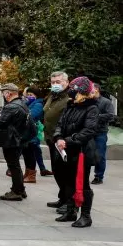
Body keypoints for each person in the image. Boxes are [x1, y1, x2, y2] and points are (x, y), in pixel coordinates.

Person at [54, 77, 99, 228]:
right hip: (66, 149)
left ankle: (86, 216)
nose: (70, 92)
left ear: (81, 91)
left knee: (83, 183)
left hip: (82, 151)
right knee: (68, 181)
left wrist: (68, 140)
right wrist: (59, 137)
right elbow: (60, 124)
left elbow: (89, 130)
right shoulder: (70, 105)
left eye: (73, 89)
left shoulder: (91, 108)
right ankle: (71, 210)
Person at [0, 84, 29, 201]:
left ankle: (16, 191)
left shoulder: (11, 106)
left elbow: (0, 123)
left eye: (3, 92)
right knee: (15, 165)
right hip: (18, 139)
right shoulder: (21, 104)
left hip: (11, 140)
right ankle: (20, 189)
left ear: (9, 93)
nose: (3, 95)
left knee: (13, 166)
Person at [44, 71, 71, 213]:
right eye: (53, 82)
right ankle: (63, 197)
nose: (55, 84)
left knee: (64, 171)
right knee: (56, 170)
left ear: (66, 82)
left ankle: (69, 201)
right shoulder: (53, 96)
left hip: (62, 140)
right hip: (51, 138)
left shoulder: (69, 98)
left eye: (58, 82)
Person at [19, 86, 52, 182]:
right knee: (26, 153)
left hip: (31, 132)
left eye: (31, 95)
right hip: (26, 132)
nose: (29, 96)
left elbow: (31, 115)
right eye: (28, 95)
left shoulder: (38, 104)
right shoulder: (28, 103)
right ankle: (28, 173)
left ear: (36, 96)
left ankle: (32, 175)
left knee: (31, 154)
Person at [92, 84, 115, 185]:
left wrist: (97, 116)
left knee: (99, 155)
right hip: (88, 132)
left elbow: (111, 116)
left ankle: (98, 176)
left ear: (97, 89)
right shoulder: (89, 101)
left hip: (100, 132)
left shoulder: (106, 102)